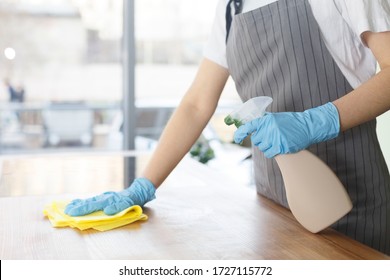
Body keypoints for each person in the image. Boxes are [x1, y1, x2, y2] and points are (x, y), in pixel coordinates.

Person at [65, 0, 390, 255]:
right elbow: (196, 104)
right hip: (276, 213)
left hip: (353, 209)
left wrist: (315, 121)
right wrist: (142, 187)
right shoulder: (230, 7)